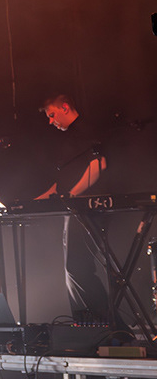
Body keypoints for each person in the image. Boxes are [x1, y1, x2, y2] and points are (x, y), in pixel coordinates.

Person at [37, 94, 121, 326]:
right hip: (75, 207)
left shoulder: (86, 130)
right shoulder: (69, 139)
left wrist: (72, 195)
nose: (50, 121)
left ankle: (111, 325)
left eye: (52, 115)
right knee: (71, 271)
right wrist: (33, 202)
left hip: (88, 208)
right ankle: (86, 325)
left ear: (65, 107)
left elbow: (98, 165)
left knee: (78, 268)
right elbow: (60, 184)